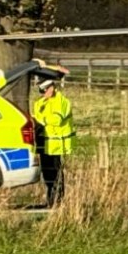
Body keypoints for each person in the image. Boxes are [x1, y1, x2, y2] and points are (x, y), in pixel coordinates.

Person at [31, 73, 74, 206]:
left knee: (56, 173)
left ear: (52, 87)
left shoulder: (62, 102)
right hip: (43, 141)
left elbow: (56, 120)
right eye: (41, 91)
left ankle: (58, 201)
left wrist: (40, 120)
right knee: (46, 173)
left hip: (56, 143)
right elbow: (35, 118)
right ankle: (50, 200)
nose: (43, 93)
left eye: (45, 90)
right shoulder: (39, 103)